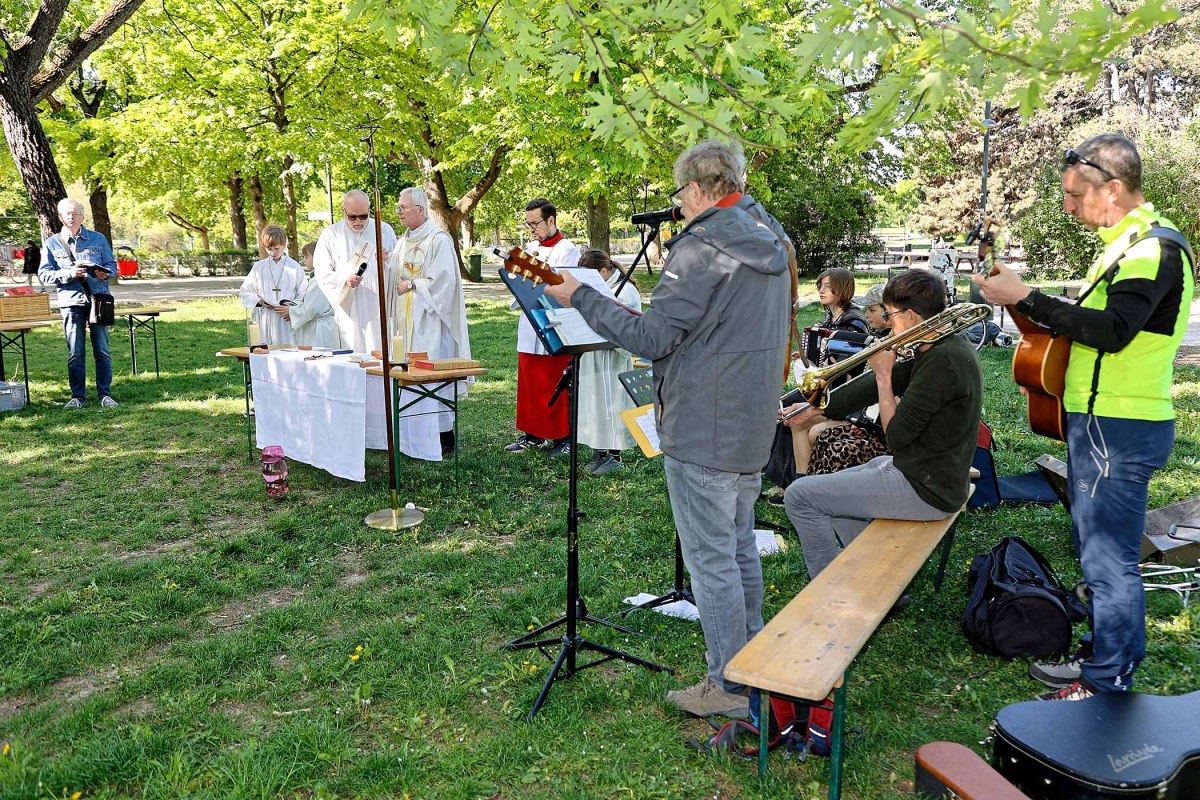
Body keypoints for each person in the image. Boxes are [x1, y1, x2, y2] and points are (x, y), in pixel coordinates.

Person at [545, 140, 790, 718]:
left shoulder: (701, 247)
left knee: (712, 561)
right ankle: (750, 662)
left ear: (698, 189)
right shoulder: (772, 236)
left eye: (680, 193)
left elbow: (652, 338)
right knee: (738, 547)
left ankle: (729, 686)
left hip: (703, 424)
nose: (677, 204)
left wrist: (580, 296)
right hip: (751, 420)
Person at [972, 133, 1194, 701]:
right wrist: (1019, 299)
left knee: (1109, 559)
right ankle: (1103, 656)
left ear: (1112, 189)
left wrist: (1028, 296)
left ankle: (1105, 680)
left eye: (1075, 195)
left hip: (1119, 429)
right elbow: (1081, 328)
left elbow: (1113, 332)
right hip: (1100, 425)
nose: (1068, 206)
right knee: (1097, 552)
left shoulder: (1152, 250)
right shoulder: (1124, 246)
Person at [781, 269, 982, 582]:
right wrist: (813, 409)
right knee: (830, 490)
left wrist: (883, 376)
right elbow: (869, 388)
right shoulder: (942, 344)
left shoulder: (942, 363)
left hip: (926, 488)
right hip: (927, 473)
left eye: (890, 314)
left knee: (799, 496)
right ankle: (869, 576)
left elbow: (896, 436)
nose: (887, 322)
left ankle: (829, 587)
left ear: (911, 316)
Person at [390, 187, 472, 456]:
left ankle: (442, 435)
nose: (399, 212)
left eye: (403, 208)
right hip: (406, 318)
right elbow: (394, 274)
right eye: (399, 207)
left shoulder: (439, 240)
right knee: (408, 370)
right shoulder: (403, 241)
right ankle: (412, 433)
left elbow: (444, 283)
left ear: (420, 209)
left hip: (430, 319)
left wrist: (414, 284)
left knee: (431, 371)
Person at [505, 198, 580, 457]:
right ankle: (533, 434)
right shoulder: (531, 248)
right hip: (530, 320)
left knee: (555, 379)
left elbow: (561, 284)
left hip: (554, 320)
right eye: (528, 224)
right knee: (530, 381)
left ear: (551, 220)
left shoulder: (567, 249)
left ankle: (563, 437)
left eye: (535, 223)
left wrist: (534, 276)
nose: (532, 229)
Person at [39, 198, 119, 409]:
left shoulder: (98, 238)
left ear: (83, 216)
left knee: (102, 350)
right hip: (71, 302)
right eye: (67, 213)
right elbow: (44, 274)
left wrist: (105, 273)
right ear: (59, 217)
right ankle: (77, 397)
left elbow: (112, 266)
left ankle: (105, 395)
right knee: (75, 352)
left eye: (75, 213)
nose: (71, 216)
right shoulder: (52, 243)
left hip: (98, 300)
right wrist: (69, 273)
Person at [574, 249, 641, 475]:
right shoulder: (592, 289)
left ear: (604, 271)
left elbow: (630, 327)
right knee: (593, 404)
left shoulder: (626, 291)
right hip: (591, 355)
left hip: (612, 359)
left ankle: (615, 455)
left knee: (612, 404)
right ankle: (599, 451)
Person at [313, 190, 397, 353]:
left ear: (369, 211)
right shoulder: (331, 234)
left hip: (378, 304)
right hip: (349, 305)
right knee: (353, 348)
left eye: (363, 216)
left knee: (380, 347)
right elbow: (322, 271)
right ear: (343, 212)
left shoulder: (384, 230)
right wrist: (344, 280)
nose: (358, 221)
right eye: (352, 217)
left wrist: (387, 261)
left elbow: (397, 266)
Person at [239, 224, 306, 345]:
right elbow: (246, 291)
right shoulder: (259, 267)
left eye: (276, 248)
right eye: (269, 249)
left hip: (285, 317)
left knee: (287, 348)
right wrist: (259, 301)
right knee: (265, 347)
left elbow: (303, 293)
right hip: (265, 316)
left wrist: (291, 309)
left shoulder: (294, 267)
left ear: (284, 244)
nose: (273, 252)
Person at [289, 242, 337, 348]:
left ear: (318, 258)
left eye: (306, 257)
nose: (304, 260)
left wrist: (290, 311)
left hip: (319, 330)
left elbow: (309, 309)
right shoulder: (321, 277)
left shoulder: (319, 280)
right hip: (322, 326)